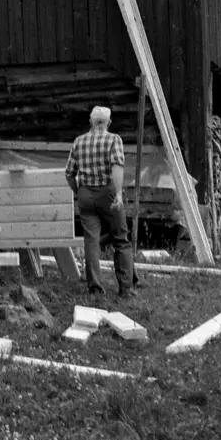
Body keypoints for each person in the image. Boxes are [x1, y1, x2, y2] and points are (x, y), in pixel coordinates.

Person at [65, 106, 135, 298]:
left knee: (91, 242)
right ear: (108, 123)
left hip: (86, 195)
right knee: (121, 238)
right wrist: (118, 194)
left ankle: (95, 288)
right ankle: (126, 288)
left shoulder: (79, 141)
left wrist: (79, 192)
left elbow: (69, 173)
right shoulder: (114, 139)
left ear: (90, 122)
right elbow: (117, 166)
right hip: (108, 193)